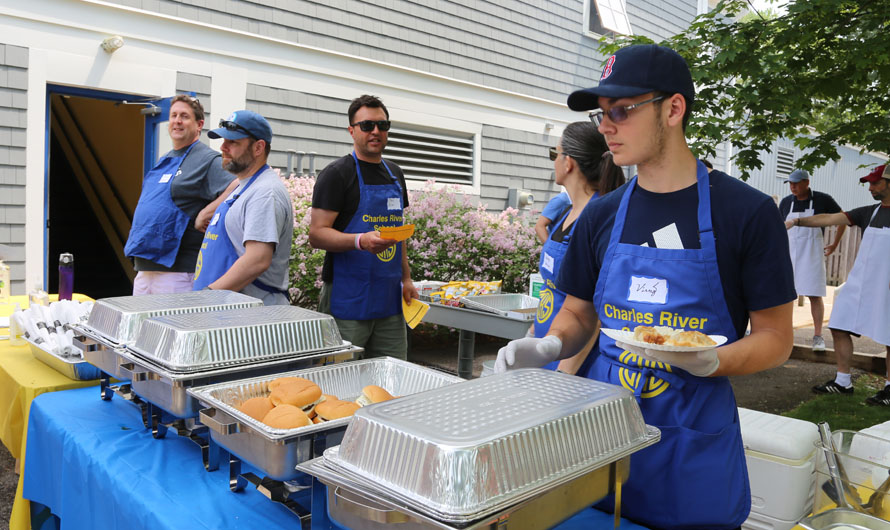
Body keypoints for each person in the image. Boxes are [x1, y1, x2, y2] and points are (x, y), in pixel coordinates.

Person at [494, 44, 795, 529]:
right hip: (595, 433)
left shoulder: (746, 214)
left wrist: (714, 360)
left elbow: (777, 339)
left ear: (673, 109)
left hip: (689, 439)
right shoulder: (602, 215)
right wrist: (548, 343)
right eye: (601, 114)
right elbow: (579, 312)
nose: (605, 126)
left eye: (621, 110)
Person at [308, 95, 417, 359]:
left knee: (392, 376)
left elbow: (397, 234)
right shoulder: (336, 174)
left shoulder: (395, 174)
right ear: (352, 130)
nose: (376, 132)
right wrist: (360, 241)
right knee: (340, 378)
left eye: (382, 125)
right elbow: (317, 234)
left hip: (389, 299)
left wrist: (406, 278)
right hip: (348, 298)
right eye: (367, 126)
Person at [788, 164, 890, 405]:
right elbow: (830, 218)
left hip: (887, 287)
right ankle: (843, 382)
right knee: (839, 324)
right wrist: (797, 222)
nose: (870, 187)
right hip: (862, 283)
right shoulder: (869, 212)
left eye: (875, 183)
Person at [535, 122, 624, 375]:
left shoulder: (599, 219)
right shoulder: (566, 212)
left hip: (573, 361)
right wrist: (532, 335)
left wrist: (563, 374)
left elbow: (593, 314)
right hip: (548, 345)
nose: (553, 161)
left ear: (568, 162)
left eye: (555, 153)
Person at [123, 95, 235, 295]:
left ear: (199, 124)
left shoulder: (208, 160)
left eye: (184, 116)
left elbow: (238, 185)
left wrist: (206, 212)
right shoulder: (164, 160)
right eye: (174, 115)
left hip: (178, 273)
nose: (177, 121)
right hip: (144, 268)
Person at [192, 110, 293, 305]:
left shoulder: (265, 193)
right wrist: (207, 212)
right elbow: (235, 186)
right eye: (223, 141)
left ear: (258, 148)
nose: (223, 147)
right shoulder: (246, 185)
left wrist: (208, 295)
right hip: (230, 312)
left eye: (233, 142)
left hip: (254, 319)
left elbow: (258, 259)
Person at [779, 169, 846, 351]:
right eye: (790, 183)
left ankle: (818, 336)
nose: (792, 186)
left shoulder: (823, 200)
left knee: (815, 295)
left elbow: (843, 219)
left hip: (812, 255)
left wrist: (834, 244)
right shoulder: (786, 203)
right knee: (785, 295)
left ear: (806, 183)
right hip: (789, 254)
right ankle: (784, 333)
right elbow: (777, 229)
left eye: (796, 183)